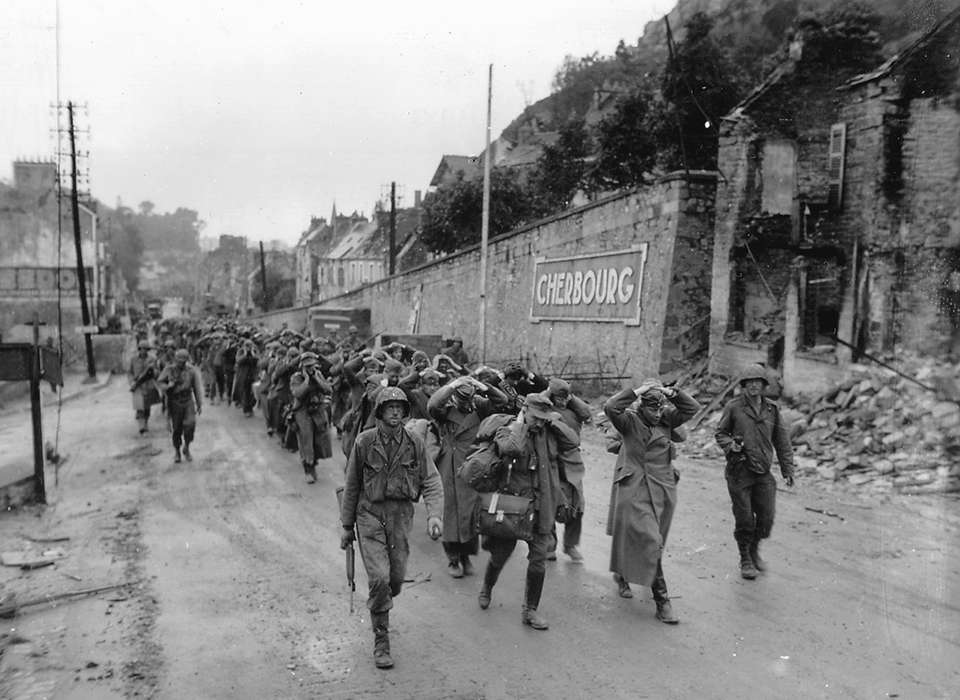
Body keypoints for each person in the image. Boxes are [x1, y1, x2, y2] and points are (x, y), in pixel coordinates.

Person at [339, 387, 444, 669]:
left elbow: (431, 480)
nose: (396, 412)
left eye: (400, 408)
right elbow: (351, 485)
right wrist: (347, 526)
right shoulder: (364, 442)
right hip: (369, 515)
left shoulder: (414, 442)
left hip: (400, 516)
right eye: (390, 407)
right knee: (380, 579)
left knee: (395, 579)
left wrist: (435, 515)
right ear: (380, 411)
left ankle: (383, 597)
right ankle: (381, 641)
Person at [478, 393, 580, 630]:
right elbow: (511, 448)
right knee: (500, 556)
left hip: (542, 506)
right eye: (536, 417)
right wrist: (521, 424)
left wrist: (552, 420)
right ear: (524, 410)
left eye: (543, 418)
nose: (539, 422)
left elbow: (572, 441)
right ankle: (487, 587)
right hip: (514, 508)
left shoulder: (548, 432)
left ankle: (530, 610)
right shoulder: (507, 429)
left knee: (538, 561)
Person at [604, 378, 700, 624]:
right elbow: (611, 407)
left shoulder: (667, 419)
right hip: (636, 488)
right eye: (652, 409)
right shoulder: (629, 421)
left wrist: (670, 392)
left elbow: (692, 408)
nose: (657, 414)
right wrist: (639, 390)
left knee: (654, 541)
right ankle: (662, 601)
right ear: (641, 406)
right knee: (651, 540)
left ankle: (627, 573)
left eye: (660, 409)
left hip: (663, 488)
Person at [714, 365, 796, 580]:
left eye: (757, 381)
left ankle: (754, 549)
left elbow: (782, 441)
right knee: (744, 519)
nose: (753, 385)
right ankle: (745, 559)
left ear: (763, 384)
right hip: (739, 472)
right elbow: (720, 433)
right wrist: (731, 445)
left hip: (763, 472)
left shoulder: (772, 409)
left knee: (767, 518)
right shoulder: (734, 407)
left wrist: (788, 469)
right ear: (743, 385)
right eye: (749, 382)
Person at [427, 375, 506, 578]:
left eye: (468, 399)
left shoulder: (480, 409)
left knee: (471, 513)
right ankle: (453, 558)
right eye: (461, 398)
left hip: (472, 466)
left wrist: (482, 386)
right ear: (454, 397)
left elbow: (502, 401)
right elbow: (432, 405)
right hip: (449, 466)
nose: (465, 403)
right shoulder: (445, 412)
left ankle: (466, 557)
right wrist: (452, 385)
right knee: (451, 512)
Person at [544, 377, 592, 562]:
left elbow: (586, 413)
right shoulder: (545, 409)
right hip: (550, 460)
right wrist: (549, 392)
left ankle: (570, 545)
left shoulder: (575, 411)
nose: (562, 401)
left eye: (565, 398)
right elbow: (531, 404)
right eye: (559, 397)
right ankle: (549, 546)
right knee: (550, 502)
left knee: (577, 504)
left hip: (572, 460)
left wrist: (570, 397)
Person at [289, 352, 333, 483]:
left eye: (312, 366)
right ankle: (308, 468)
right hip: (302, 411)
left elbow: (328, 390)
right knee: (306, 440)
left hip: (317, 409)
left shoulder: (318, 374)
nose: (310, 369)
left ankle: (313, 461)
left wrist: (317, 379)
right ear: (302, 367)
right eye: (307, 366)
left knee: (320, 439)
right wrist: (307, 380)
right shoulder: (296, 378)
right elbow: (298, 393)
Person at [156, 349, 204, 463]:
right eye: (178, 361)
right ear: (175, 359)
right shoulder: (169, 369)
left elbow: (196, 387)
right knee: (177, 428)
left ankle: (186, 447)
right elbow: (160, 382)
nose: (180, 363)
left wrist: (199, 403)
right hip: (174, 401)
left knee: (190, 425)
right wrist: (168, 386)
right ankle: (177, 451)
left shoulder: (191, 371)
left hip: (188, 400)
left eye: (183, 361)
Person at [128, 341, 158, 434]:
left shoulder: (152, 359)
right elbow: (130, 372)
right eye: (142, 349)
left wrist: (152, 370)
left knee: (147, 406)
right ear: (139, 349)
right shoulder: (133, 359)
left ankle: (146, 422)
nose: (143, 351)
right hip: (138, 385)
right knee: (139, 406)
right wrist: (132, 382)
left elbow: (157, 373)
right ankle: (141, 425)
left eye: (145, 349)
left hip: (148, 385)